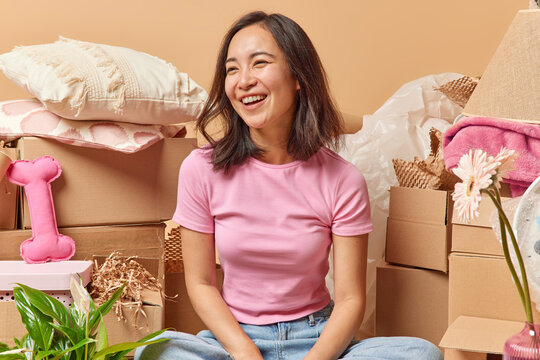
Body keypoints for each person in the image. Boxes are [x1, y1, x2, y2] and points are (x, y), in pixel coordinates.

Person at [135, 11, 443, 360]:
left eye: (259, 63)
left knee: (422, 354)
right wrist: (245, 352)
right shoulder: (201, 169)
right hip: (234, 342)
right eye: (232, 69)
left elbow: (350, 299)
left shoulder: (342, 179)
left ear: (298, 75)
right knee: (157, 350)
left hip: (315, 339)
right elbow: (201, 284)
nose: (243, 80)